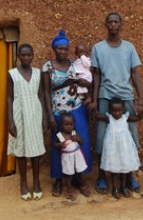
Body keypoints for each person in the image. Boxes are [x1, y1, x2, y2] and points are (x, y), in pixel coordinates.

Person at [90, 12, 143, 194]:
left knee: (130, 137)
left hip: (126, 97)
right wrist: (95, 99)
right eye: (110, 22)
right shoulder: (98, 48)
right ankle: (101, 176)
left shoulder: (129, 48)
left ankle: (129, 175)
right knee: (100, 138)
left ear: (121, 25)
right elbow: (96, 76)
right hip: (106, 96)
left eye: (117, 22)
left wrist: (141, 99)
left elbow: (135, 74)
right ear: (105, 24)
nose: (113, 25)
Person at [42, 29, 92, 197]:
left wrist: (88, 91)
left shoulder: (74, 64)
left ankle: (80, 178)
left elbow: (86, 77)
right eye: (59, 48)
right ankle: (59, 180)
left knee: (79, 143)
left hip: (78, 109)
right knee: (60, 146)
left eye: (65, 48)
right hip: (58, 112)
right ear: (54, 49)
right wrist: (49, 115)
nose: (62, 51)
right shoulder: (47, 67)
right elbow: (45, 92)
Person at [7, 44, 47, 201]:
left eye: (29, 55)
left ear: (33, 56)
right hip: (19, 113)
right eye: (23, 55)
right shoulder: (12, 74)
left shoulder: (38, 73)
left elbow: (42, 95)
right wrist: (10, 121)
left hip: (35, 113)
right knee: (21, 150)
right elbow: (9, 98)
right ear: (18, 56)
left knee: (36, 149)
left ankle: (36, 182)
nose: (26, 58)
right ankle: (23, 182)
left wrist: (44, 118)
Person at [95, 98, 141, 199]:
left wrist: (141, 113)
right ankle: (115, 188)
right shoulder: (109, 118)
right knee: (114, 170)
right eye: (114, 111)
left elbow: (137, 118)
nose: (116, 113)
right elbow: (97, 116)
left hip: (124, 149)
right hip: (113, 150)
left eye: (119, 110)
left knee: (124, 169)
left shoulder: (125, 118)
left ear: (123, 110)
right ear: (110, 111)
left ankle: (123, 187)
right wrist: (92, 109)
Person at [54, 112, 91, 200]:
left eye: (71, 124)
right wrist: (61, 145)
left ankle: (83, 186)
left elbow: (82, 142)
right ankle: (69, 190)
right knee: (68, 175)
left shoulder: (74, 133)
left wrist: (77, 139)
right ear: (61, 125)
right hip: (67, 158)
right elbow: (55, 145)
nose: (69, 126)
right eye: (66, 124)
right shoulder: (60, 135)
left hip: (77, 156)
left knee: (80, 172)